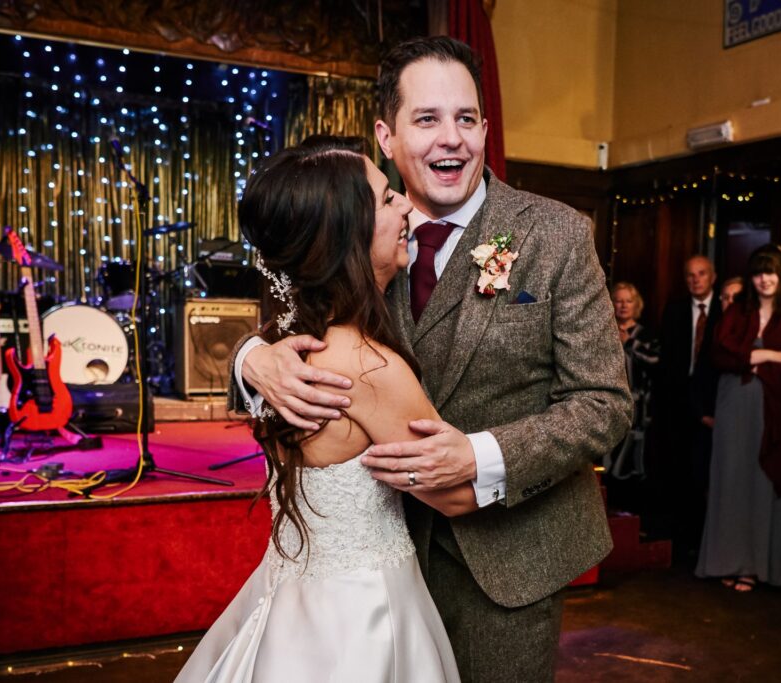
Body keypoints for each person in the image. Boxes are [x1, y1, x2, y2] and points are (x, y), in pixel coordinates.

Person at [229, 37, 632, 682]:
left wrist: (484, 456)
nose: (452, 139)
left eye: (466, 119)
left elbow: (604, 404)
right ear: (386, 137)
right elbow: (289, 321)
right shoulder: (352, 228)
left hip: (508, 564)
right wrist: (250, 361)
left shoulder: (555, 234)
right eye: (428, 119)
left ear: (485, 128)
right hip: (377, 567)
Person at [177, 137, 467, 681]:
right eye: (386, 199)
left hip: (292, 596)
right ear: (346, 236)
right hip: (362, 614)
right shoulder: (367, 365)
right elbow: (455, 493)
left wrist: (248, 355)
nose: (406, 204)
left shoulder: (288, 346)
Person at [695, 245, 781, 592]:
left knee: (762, 484)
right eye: (759, 272)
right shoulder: (737, 311)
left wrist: (756, 358)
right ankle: (726, 561)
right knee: (730, 481)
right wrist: (765, 355)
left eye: (771, 271)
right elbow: (719, 354)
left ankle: (757, 566)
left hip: (773, 411)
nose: (765, 279)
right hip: (733, 407)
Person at [657, 255, 721, 552]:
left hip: (712, 405)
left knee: (705, 473)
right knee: (676, 471)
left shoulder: (726, 311)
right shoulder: (675, 311)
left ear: (713, 277)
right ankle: (678, 539)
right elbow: (667, 363)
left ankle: (702, 540)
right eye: (690, 275)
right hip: (677, 404)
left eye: (702, 274)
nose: (696, 280)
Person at [603, 282, 659, 500]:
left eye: (628, 301)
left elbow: (657, 363)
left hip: (638, 409)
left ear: (636, 305)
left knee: (635, 461)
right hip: (608, 405)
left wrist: (629, 342)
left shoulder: (646, 335)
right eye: (618, 300)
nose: (623, 305)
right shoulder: (603, 331)